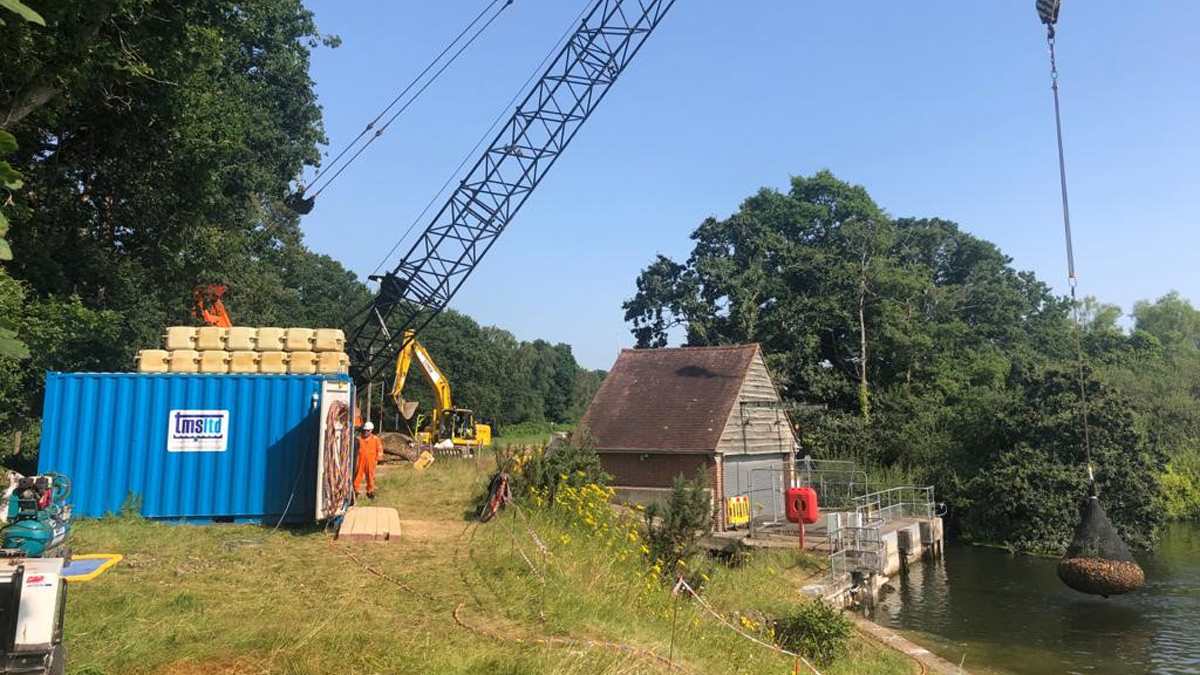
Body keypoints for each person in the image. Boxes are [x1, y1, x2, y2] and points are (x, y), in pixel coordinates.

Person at [353, 421, 384, 500]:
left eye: (367, 431)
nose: (365, 432)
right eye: (364, 430)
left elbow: (379, 449)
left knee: (370, 477)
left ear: (371, 431)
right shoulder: (358, 439)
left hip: (370, 461)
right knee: (357, 476)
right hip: (359, 460)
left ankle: (371, 492)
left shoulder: (375, 439)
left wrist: (377, 459)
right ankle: (354, 491)